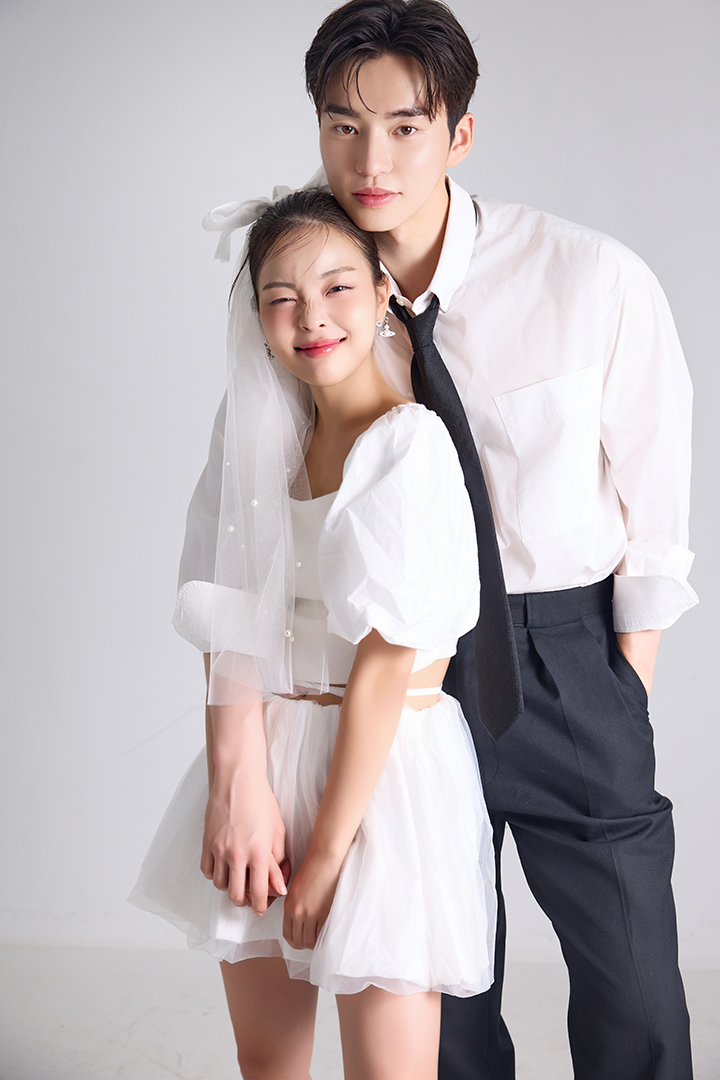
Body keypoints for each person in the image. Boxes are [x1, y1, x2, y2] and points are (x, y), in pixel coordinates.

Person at [299, 2, 697, 1079]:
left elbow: (658, 508)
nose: (372, 161)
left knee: (635, 994)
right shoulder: (320, 297)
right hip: (406, 664)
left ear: (459, 133)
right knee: (439, 997)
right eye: (343, 127)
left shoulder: (590, 277)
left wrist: (619, 684)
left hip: (567, 655)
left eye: (405, 127)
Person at [130, 189, 497, 1079]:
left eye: (337, 287)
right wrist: (238, 787)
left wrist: (330, 853)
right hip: (269, 746)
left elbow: (385, 665)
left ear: (381, 294)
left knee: (388, 1069)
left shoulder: (407, 444)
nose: (312, 317)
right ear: (255, 318)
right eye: (281, 297)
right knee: (267, 1059)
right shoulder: (258, 434)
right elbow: (226, 610)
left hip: (385, 773)